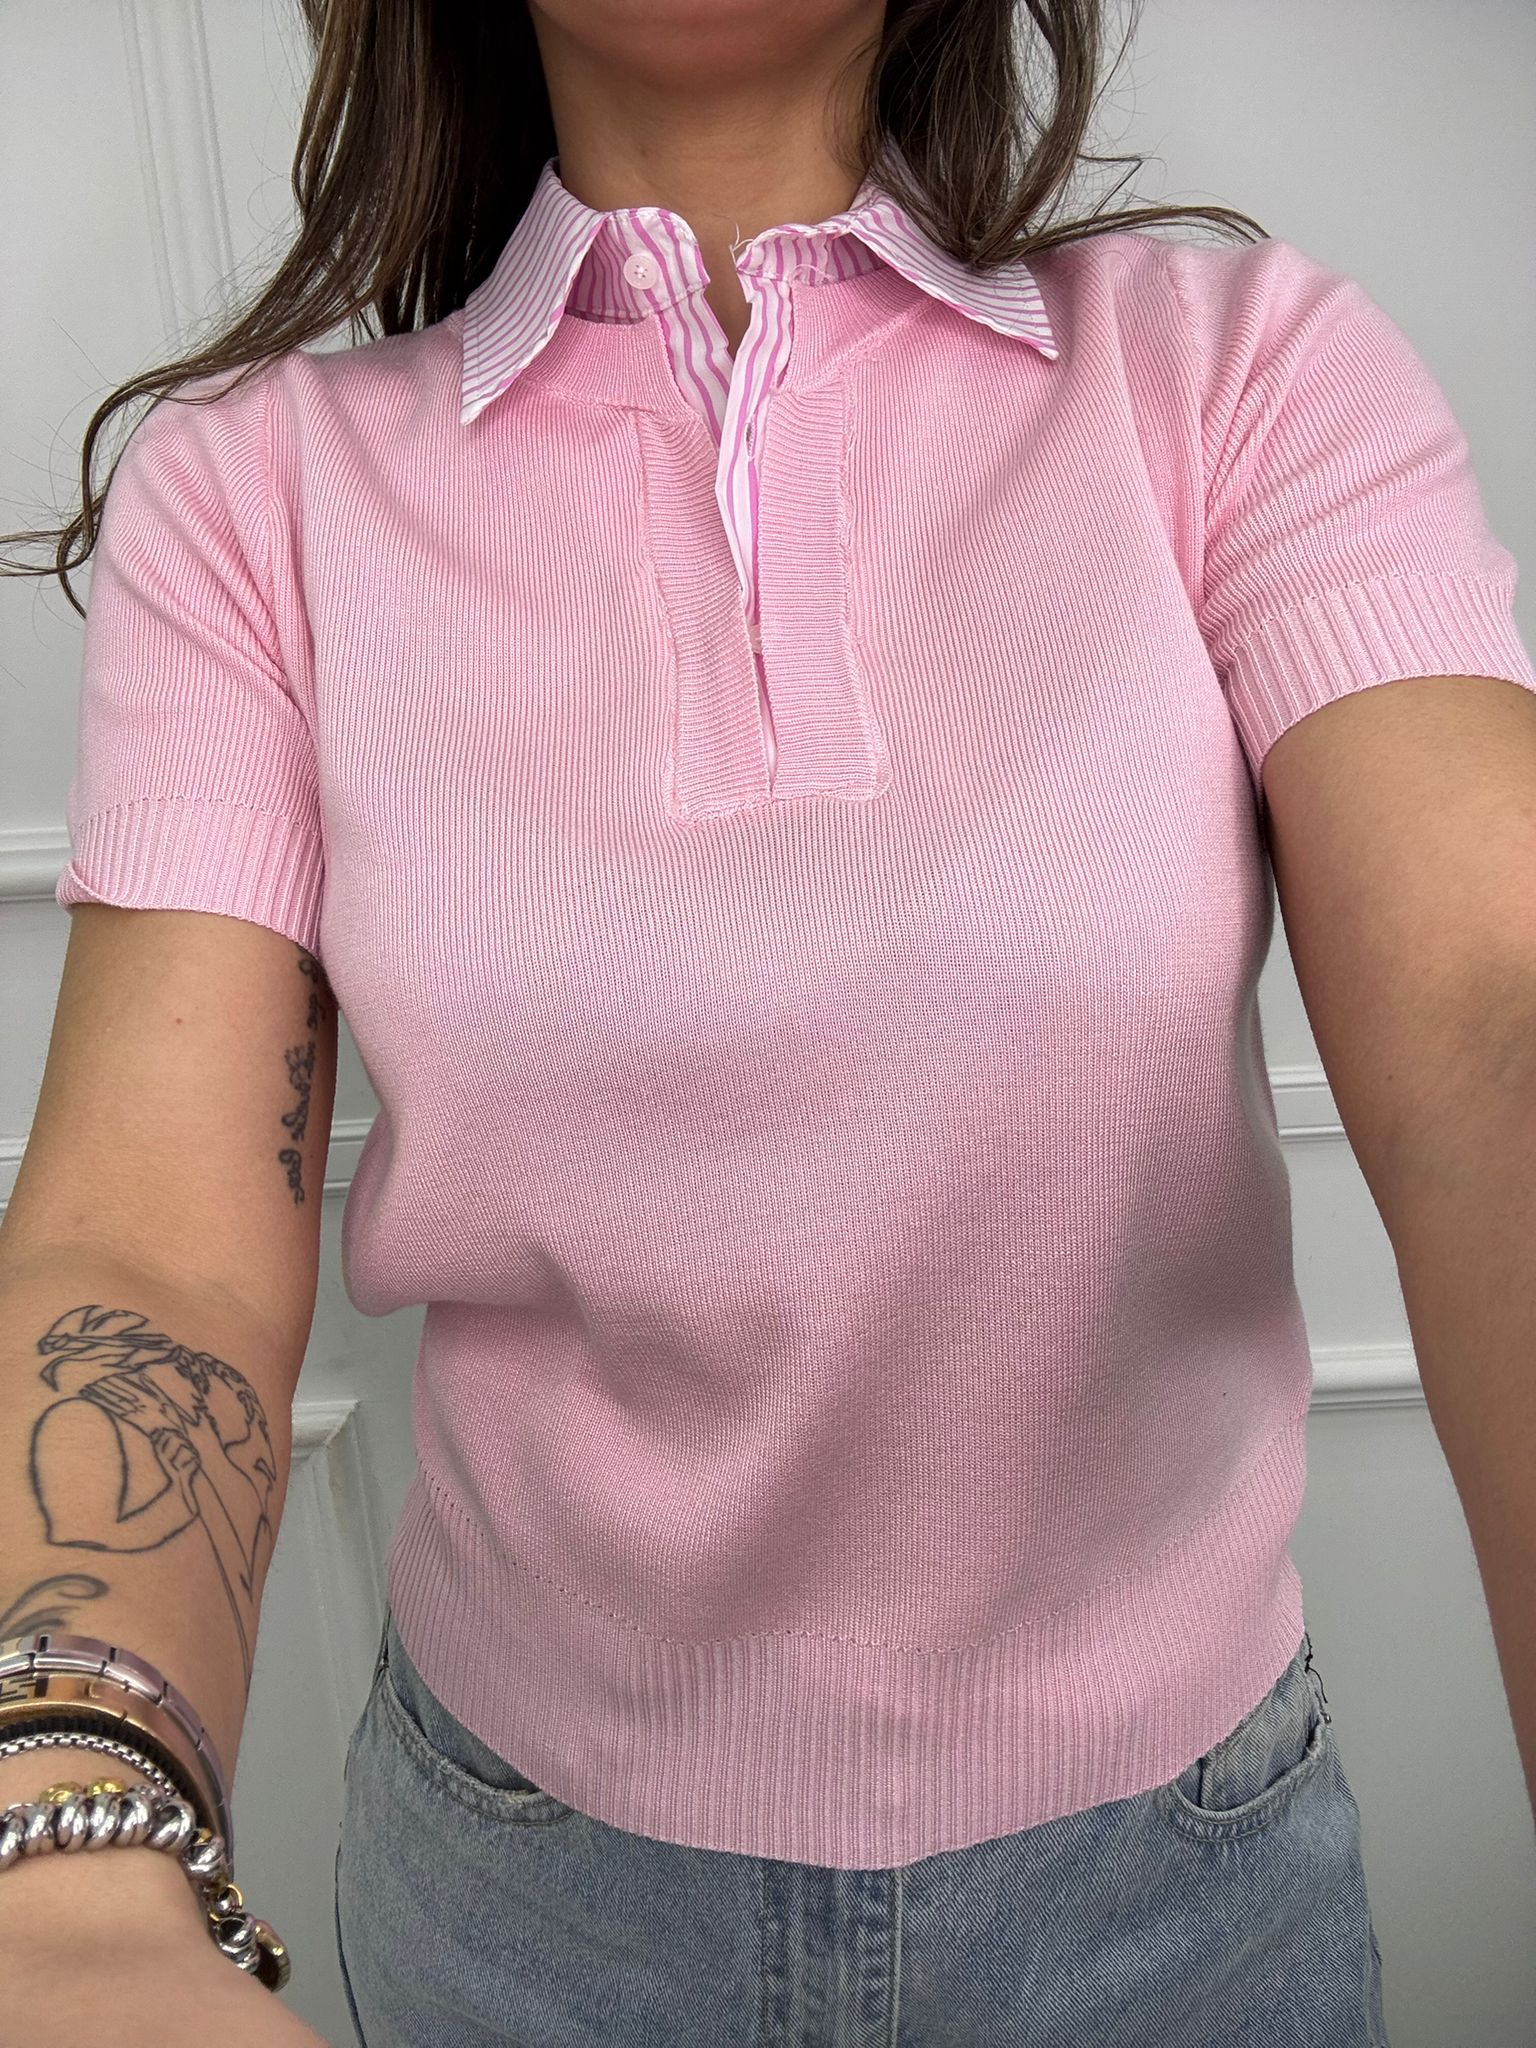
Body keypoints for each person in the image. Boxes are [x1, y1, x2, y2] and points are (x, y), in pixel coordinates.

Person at [4, 0, 1534, 2042]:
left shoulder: (1234, 376)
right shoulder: (256, 498)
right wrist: (65, 1850)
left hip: (1184, 1900)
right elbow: (152, 1242)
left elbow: (1491, 1027)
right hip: (522, 1909)